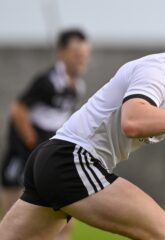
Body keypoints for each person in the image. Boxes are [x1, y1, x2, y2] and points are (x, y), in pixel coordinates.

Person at [0, 14, 165, 240]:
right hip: (71, 159)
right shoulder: (158, 72)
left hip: (59, 162)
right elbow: (133, 122)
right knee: (164, 233)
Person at [0, 29, 91, 239]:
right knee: (14, 224)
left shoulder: (77, 86)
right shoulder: (47, 81)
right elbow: (18, 111)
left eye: (86, 54)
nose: (82, 59)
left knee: (64, 219)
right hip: (24, 160)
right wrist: (34, 146)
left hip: (50, 160)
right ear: (61, 53)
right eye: (77, 53)